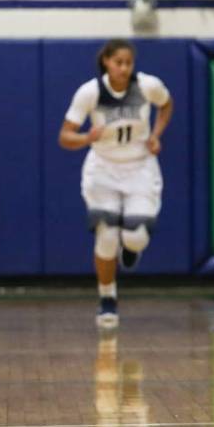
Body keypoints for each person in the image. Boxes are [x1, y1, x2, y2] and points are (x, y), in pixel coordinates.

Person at [59, 40, 173, 329]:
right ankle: (107, 297)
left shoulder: (148, 86)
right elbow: (64, 136)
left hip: (140, 167)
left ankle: (131, 247)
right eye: (118, 62)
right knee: (107, 235)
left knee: (136, 238)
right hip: (103, 168)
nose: (124, 68)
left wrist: (156, 134)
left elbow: (167, 104)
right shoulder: (90, 92)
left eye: (128, 63)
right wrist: (86, 137)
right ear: (106, 62)